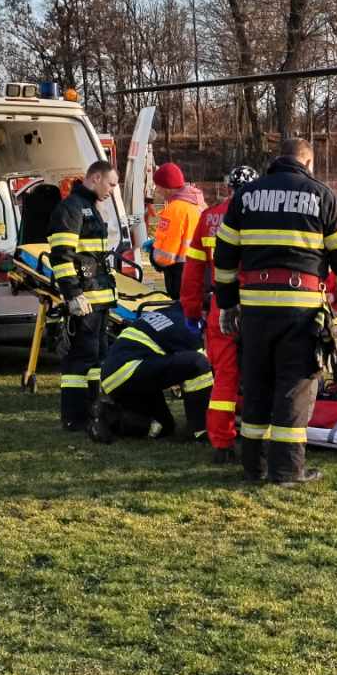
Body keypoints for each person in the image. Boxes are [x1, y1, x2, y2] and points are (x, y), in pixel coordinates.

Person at [213, 138, 337, 486]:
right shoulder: (322, 196)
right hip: (301, 310)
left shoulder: (246, 196)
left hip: (255, 309)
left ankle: (255, 466)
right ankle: (287, 470)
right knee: (294, 388)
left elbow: (225, 256)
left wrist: (227, 303)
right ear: (307, 163)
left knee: (257, 385)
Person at [182, 164, 258, 465]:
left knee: (224, 378)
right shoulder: (262, 216)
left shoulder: (209, 217)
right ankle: (257, 441)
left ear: (228, 188)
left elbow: (193, 270)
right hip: (257, 304)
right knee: (259, 374)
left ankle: (222, 444)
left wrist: (191, 309)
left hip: (220, 305)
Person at [49, 160, 120, 431]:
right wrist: (73, 295)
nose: (112, 190)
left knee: (97, 357)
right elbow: (62, 256)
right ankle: (74, 418)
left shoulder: (90, 208)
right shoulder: (72, 209)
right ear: (96, 178)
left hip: (97, 299)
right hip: (85, 300)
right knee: (80, 360)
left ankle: (93, 411)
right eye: (111, 184)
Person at [90, 303, 213, 444]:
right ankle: (200, 430)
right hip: (129, 370)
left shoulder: (172, 312)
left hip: (119, 373)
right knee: (198, 363)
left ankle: (110, 419)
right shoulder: (189, 328)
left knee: (164, 426)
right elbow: (205, 368)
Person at [147, 163, 207, 296]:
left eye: (158, 186)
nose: (157, 191)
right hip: (202, 273)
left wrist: (153, 253)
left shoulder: (174, 209)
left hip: (181, 278)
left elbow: (165, 256)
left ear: (167, 187)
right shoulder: (200, 204)